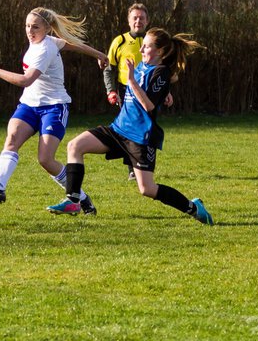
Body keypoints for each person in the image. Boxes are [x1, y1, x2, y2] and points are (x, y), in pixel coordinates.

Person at [48, 27, 212, 225]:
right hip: (117, 129)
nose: (141, 49)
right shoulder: (144, 65)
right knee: (75, 146)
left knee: (147, 189)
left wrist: (133, 81)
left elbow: (149, 105)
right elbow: (152, 89)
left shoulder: (161, 72)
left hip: (140, 137)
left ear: (159, 51)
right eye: (142, 46)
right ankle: (73, 200)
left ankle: (193, 207)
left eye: (147, 46)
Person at [0, 7, 109, 209]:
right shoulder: (47, 43)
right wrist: (99, 54)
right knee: (11, 140)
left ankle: (81, 198)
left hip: (54, 107)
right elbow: (72, 45)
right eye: (27, 26)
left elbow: (26, 80)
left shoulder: (46, 49)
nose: (29, 30)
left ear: (46, 28)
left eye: (35, 27)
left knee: (45, 159)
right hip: (29, 104)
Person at [102, 3, 171, 180]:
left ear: (147, 20)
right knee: (128, 127)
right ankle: (132, 169)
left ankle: (142, 164)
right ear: (129, 20)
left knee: (145, 124)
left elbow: (160, 74)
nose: (138, 21)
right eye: (135, 17)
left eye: (141, 18)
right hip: (126, 89)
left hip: (146, 91)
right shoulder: (120, 41)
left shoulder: (152, 41)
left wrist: (166, 92)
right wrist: (111, 90)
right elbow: (109, 68)